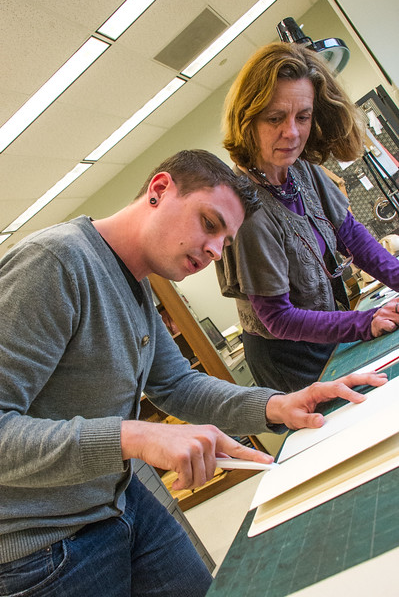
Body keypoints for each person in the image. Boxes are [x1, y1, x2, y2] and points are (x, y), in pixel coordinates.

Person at [0, 149, 387, 597]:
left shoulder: (137, 281)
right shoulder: (55, 263)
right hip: (41, 547)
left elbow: (176, 384)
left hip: (118, 503)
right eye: (209, 223)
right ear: (160, 190)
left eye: (225, 240)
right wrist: (136, 436)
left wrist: (277, 404)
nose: (214, 250)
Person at [216, 42, 399, 393]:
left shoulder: (301, 170)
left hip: (326, 326)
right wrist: (364, 322)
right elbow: (277, 317)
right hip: (288, 358)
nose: (293, 132)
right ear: (247, 119)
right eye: (275, 118)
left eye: (303, 116)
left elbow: (353, 236)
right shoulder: (245, 207)